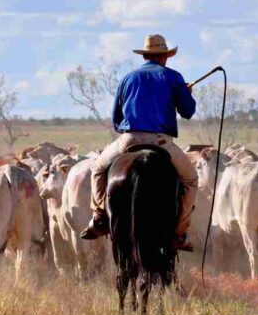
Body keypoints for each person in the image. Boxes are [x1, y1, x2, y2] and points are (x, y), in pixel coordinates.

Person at [80, 34, 198, 252]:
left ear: (145, 55)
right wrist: (186, 93)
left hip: (129, 139)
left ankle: (99, 218)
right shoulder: (173, 77)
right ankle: (179, 233)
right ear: (165, 57)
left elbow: (117, 118)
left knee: (97, 168)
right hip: (161, 142)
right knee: (191, 179)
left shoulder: (128, 78)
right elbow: (188, 111)